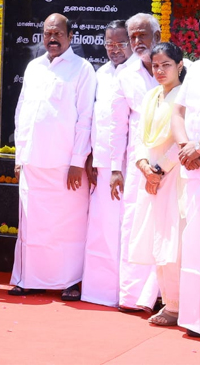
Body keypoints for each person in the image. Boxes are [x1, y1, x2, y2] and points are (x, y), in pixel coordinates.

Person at [10, 13, 96, 301]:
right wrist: (20, 156)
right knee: (32, 225)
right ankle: (29, 279)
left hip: (65, 165)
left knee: (68, 226)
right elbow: (22, 113)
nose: (52, 38)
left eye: (58, 33)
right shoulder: (34, 67)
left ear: (70, 36)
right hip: (33, 161)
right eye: (48, 33)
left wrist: (77, 162)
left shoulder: (82, 69)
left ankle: (70, 281)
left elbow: (85, 118)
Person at [127, 42, 185, 327]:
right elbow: (140, 137)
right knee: (158, 240)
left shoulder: (185, 97)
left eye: (166, 65)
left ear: (180, 66)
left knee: (175, 242)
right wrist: (144, 167)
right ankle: (170, 303)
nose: (160, 70)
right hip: (150, 177)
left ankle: (178, 307)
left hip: (175, 177)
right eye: (156, 66)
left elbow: (184, 138)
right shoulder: (151, 96)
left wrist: (160, 170)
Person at [81, 20, 137, 307]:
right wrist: (91, 155)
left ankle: (124, 293)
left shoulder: (138, 73)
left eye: (120, 43)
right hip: (101, 164)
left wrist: (117, 166)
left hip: (126, 166)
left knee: (122, 229)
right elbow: (96, 119)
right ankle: (98, 291)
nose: (114, 49)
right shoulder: (101, 73)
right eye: (109, 44)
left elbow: (126, 125)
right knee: (100, 228)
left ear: (131, 43)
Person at [109, 13, 161, 312]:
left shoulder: (180, 67)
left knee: (167, 224)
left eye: (143, 35)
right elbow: (117, 125)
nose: (137, 41)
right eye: (133, 37)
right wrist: (116, 167)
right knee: (134, 224)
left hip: (172, 159)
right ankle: (133, 296)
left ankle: (166, 295)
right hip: (136, 161)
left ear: (157, 36)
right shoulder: (125, 75)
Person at [172, 56, 200, 338]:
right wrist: (185, 146)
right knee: (194, 244)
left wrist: (198, 147)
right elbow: (178, 112)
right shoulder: (196, 69)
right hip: (193, 169)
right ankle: (195, 318)